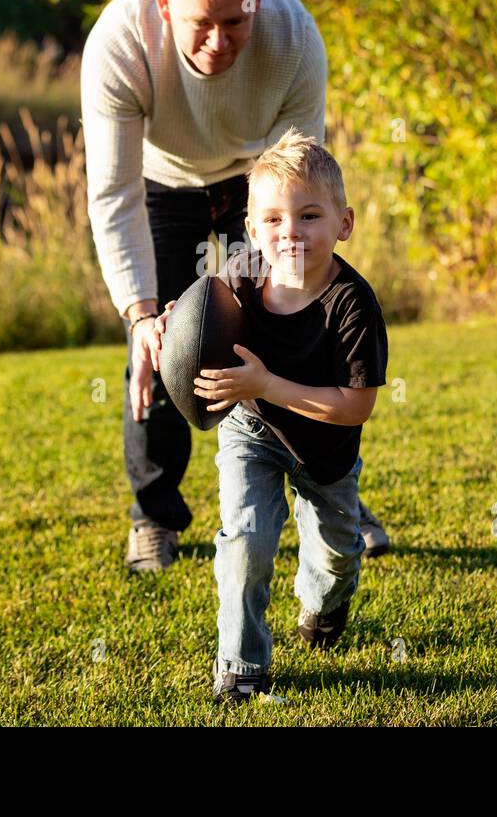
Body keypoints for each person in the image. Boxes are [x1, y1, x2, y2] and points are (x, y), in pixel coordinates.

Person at [80, 0, 392, 573]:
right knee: (167, 342)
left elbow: (300, 176)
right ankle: (155, 515)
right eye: (201, 23)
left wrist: (272, 263)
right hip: (163, 189)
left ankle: (330, 490)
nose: (220, 42)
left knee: (291, 324)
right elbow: (114, 194)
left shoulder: (294, 34)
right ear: (165, 4)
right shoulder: (120, 40)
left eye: (236, 21)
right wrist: (140, 315)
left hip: (258, 187)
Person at [149, 128, 387, 703]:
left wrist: (268, 383)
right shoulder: (240, 275)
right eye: (274, 220)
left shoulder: (352, 305)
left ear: (344, 223)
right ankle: (241, 667)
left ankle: (323, 606)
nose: (291, 233)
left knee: (336, 557)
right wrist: (172, 326)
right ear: (252, 229)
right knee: (246, 541)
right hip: (250, 429)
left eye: (309, 216)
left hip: (324, 448)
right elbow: (200, 316)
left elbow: (356, 404)